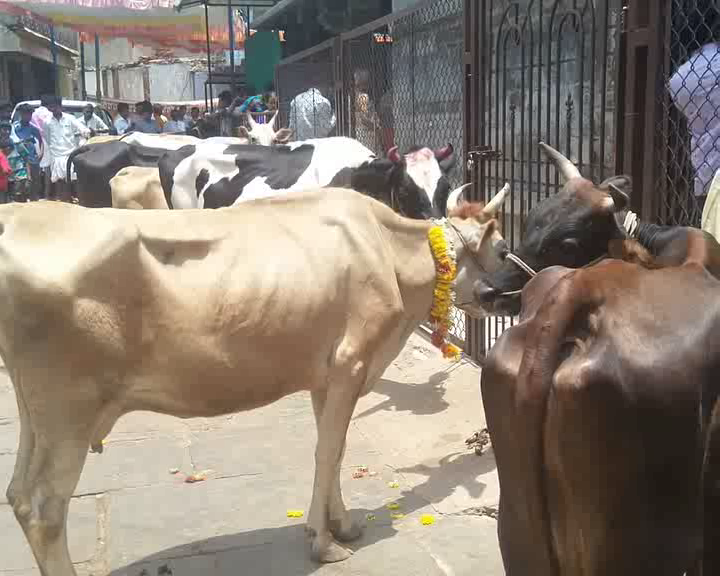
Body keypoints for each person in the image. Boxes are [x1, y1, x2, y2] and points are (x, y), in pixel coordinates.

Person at [43, 96, 90, 202]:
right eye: (51, 107)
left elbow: (83, 129)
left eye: (55, 107)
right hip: (56, 156)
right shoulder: (47, 122)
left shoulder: (70, 118)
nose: (53, 109)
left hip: (70, 154)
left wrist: (85, 134)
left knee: (74, 181)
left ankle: (79, 201)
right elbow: (48, 139)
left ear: (60, 106)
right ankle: (64, 202)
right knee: (60, 182)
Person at [12, 104, 43, 201]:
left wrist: (41, 153)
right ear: (21, 114)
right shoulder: (15, 127)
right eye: (26, 114)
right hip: (19, 160)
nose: (28, 117)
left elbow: (41, 140)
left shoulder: (33, 128)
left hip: (32, 159)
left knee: (34, 183)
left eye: (30, 115)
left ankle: (34, 201)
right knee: (21, 184)